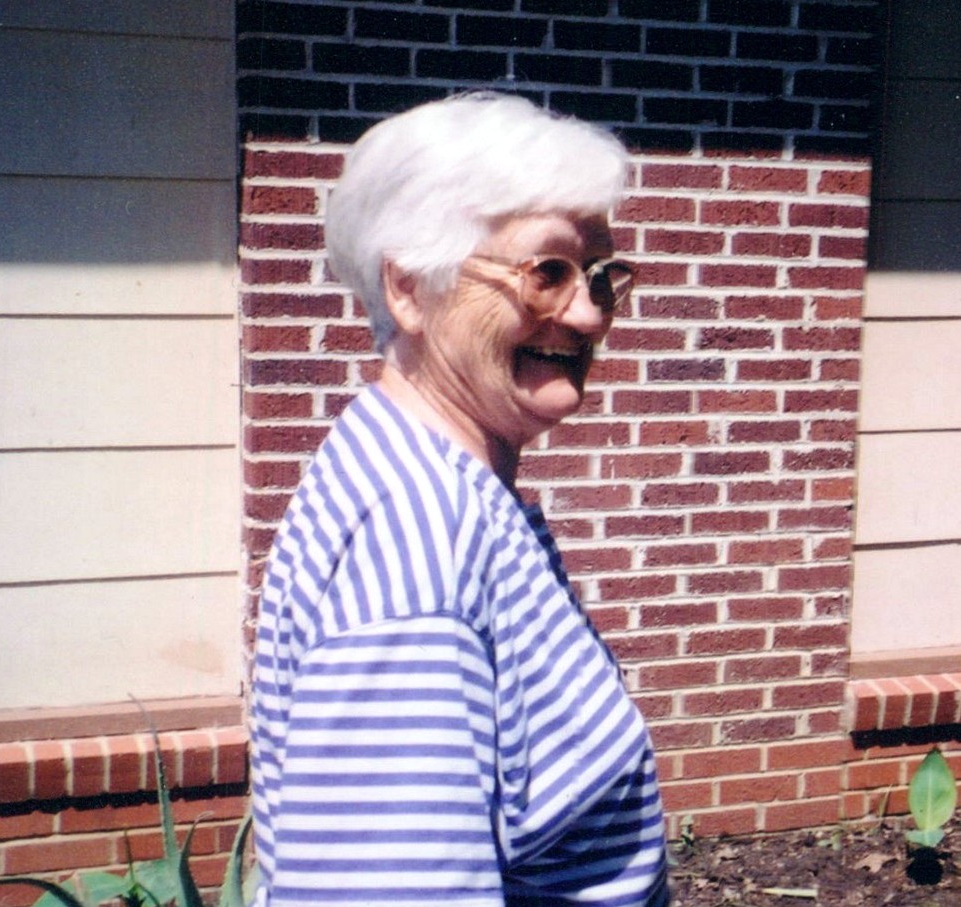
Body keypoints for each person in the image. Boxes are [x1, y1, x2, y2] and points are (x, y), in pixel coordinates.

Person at [249, 93, 669, 906]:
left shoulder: (442, 483)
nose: (588, 313)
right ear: (410, 288)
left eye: (599, 276)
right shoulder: (415, 537)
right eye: (547, 273)